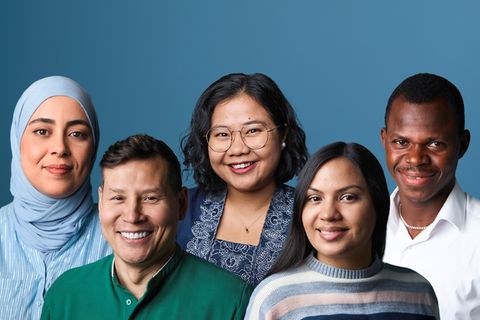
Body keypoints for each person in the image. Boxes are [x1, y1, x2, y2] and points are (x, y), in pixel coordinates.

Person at [41, 134, 253, 319]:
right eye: (117, 198)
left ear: (181, 204)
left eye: (150, 198)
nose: (132, 216)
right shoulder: (64, 295)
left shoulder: (231, 300)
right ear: (101, 200)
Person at [245, 142, 439, 319]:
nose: (328, 214)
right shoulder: (275, 298)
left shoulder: (418, 292)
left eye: (347, 197)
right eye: (315, 198)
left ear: (377, 204)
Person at [176, 73, 308, 286]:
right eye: (222, 134)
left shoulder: (311, 213)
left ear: (283, 133)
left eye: (253, 130)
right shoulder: (179, 209)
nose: (238, 149)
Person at [0, 76, 111, 319]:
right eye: (42, 131)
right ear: (17, 140)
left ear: (93, 146)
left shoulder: (119, 239)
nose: (59, 147)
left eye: (77, 134)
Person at [380, 73, 480, 319]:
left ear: (463, 144)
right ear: (384, 140)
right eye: (401, 142)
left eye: (435, 144)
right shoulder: (358, 226)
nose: (415, 159)